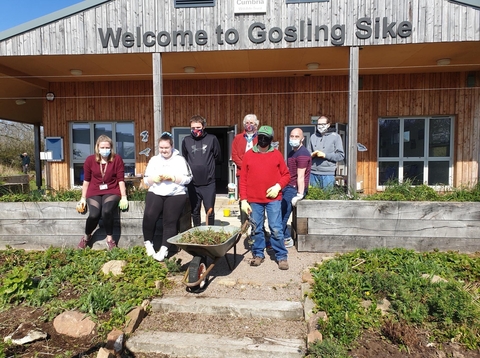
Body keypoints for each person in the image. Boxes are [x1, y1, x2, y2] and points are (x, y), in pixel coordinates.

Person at [239, 125, 291, 270]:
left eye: (265, 138)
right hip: (254, 200)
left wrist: (278, 187)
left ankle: (281, 256)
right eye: (260, 137)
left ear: (270, 140)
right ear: (257, 137)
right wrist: (243, 199)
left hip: (273, 199)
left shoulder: (276, 154)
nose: (262, 140)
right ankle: (258, 254)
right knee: (256, 228)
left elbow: (286, 175)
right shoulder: (249, 155)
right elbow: (243, 179)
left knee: (275, 228)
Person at [142, 132, 193, 262]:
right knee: (149, 216)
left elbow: (188, 178)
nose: (164, 150)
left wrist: (174, 178)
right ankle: (148, 243)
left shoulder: (179, 160)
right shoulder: (154, 160)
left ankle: (164, 249)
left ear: (172, 147)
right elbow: (146, 180)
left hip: (175, 193)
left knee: (170, 221)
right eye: (161, 148)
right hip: (156, 191)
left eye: (166, 148)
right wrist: (155, 179)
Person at [76, 134, 129, 250]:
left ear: (111, 148)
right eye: (102, 148)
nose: (105, 150)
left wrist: (124, 196)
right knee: (94, 214)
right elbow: (86, 181)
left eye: (107, 147)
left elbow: (120, 180)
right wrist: (83, 198)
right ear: (97, 148)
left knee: (107, 211)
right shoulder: (90, 160)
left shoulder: (117, 159)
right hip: (94, 190)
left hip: (112, 189)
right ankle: (86, 236)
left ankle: (110, 239)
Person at [182, 115, 222, 227]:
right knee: (194, 210)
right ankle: (197, 231)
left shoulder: (212, 139)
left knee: (209, 210)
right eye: (193, 128)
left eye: (198, 127)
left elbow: (218, 157)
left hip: (208, 183)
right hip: (193, 183)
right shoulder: (186, 140)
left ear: (203, 126)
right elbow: (185, 157)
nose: (195, 130)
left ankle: (210, 231)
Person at [281, 128, 312, 248]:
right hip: (288, 185)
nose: (293, 139)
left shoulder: (303, 154)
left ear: (302, 139)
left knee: (283, 213)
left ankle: (286, 239)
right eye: (292, 136)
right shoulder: (291, 152)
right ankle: (282, 236)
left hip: (295, 188)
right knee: (278, 211)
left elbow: (301, 176)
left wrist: (299, 194)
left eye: (296, 137)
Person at [231, 114, 259, 225]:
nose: (249, 125)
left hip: (257, 173)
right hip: (242, 172)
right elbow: (234, 155)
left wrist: (254, 168)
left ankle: (256, 222)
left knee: (256, 197)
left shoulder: (260, 138)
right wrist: (246, 166)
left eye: (251, 123)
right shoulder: (238, 138)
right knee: (243, 196)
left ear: (256, 124)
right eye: (247, 123)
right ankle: (244, 223)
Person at [308, 115, 345, 189]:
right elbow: (307, 154)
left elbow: (340, 155)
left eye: (323, 124)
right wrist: (311, 155)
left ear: (328, 125)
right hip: (313, 173)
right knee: (313, 198)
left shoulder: (336, 137)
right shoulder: (313, 137)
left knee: (326, 198)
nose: (320, 126)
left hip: (328, 174)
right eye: (319, 124)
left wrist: (325, 155)